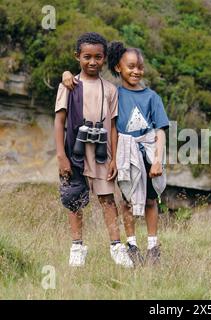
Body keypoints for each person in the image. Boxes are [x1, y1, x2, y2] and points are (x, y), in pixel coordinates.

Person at [62, 41, 169, 266]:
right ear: (118, 68)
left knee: (150, 200)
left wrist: (158, 159)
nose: (136, 71)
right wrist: (66, 74)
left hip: (148, 153)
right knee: (127, 200)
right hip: (124, 155)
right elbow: (111, 125)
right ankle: (131, 245)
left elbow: (160, 130)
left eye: (140, 67)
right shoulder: (114, 93)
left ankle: (153, 247)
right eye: (130, 66)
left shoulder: (152, 97)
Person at [54, 32, 133, 268]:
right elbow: (59, 122)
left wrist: (114, 160)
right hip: (74, 153)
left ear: (104, 58)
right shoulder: (68, 85)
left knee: (107, 199)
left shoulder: (110, 90)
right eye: (87, 56)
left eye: (98, 57)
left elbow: (113, 128)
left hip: (102, 153)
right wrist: (61, 156)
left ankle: (116, 247)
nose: (92, 62)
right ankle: (77, 246)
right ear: (77, 56)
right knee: (74, 198)